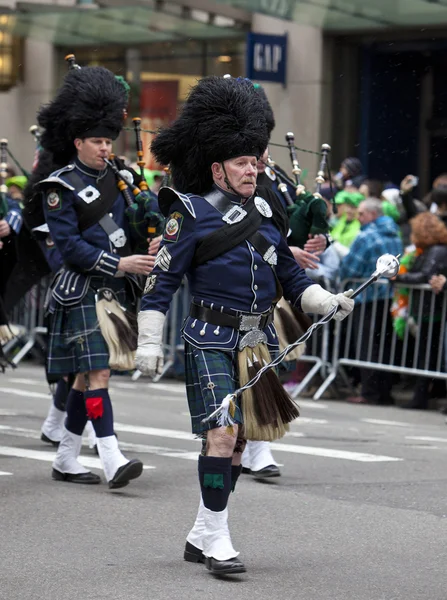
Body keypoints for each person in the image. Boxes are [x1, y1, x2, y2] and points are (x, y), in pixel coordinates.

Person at [135, 76, 354, 575]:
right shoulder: (187, 214)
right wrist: (149, 340)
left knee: (235, 444)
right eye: (242, 163)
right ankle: (217, 537)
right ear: (217, 168)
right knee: (221, 433)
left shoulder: (264, 217)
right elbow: (162, 282)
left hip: (255, 342)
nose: (253, 170)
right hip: (208, 338)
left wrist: (328, 301)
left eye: (255, 162)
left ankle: (204, 527)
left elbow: (293, 278)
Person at [35, 66, 155, 488]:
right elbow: (69, 247)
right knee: (98, 375)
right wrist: (120, 264)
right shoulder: (59, 187)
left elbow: (139, 227)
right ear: (78, 142)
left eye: (109, 140)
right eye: (97, 141)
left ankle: (67, 456)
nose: (105, 148)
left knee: (86, 379)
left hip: (114, 291)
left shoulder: (123, 180)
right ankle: (111, 455)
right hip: (81, 290)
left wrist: (151, 236)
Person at [339, 198, 403, 405]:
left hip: (366, 297)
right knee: (384, 345)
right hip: (387, 298)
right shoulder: (395, 235)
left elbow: (349, 270)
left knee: (366, 346)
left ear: (373, 215)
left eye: (362, 214)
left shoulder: (366, 236)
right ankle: (384, 392)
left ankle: (370, 393)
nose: (359, 218)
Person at [394, 213, 447, 409]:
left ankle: (421, 396)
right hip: (427, 309)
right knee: (427, 354)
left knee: (428, 355)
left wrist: (399, 278)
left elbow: (426, 276)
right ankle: (422, 394)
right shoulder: (426, 250)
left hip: (433, 311)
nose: (411, 235)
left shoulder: (436, 251)